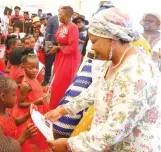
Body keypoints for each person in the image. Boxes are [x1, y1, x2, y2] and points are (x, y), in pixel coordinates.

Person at [43, 8, 161, 152]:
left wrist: (69, 144)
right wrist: (62, 110)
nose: (91, 48)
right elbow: (94, 91)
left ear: (111, 39)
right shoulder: (113, 61)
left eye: (94, 41)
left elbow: (116, 128)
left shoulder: (136, 73)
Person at [0, 76, 37, 152]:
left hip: (14, 142)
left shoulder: (5, 110)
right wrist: (24, 137)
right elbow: (6, 149)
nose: (16, 97)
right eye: (14, 95)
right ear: (3, 97)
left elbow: (16, 122)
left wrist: (28, 115)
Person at [15, 54, 50, 151]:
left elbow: (36, 91)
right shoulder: (25, 85)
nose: (35, 70)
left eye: (37, 67)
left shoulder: (34, 78)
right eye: (31, 68)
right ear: (23, 67)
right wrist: (36, 102)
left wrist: (43, 89)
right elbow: (20, 104)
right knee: (34, 137)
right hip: (32, 114)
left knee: (41, 132)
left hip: (40, 109)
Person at [49, 6, 81, 110]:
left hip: (69, 58)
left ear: (67, 15)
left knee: (61, 83)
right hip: (60, 55)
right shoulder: (62, 26)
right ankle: (54, 106)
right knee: (55, 81)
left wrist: (58, 47)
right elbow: (59, 39)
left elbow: (73, 47)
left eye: (60, 14)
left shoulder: (73, 28)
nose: (59, 16)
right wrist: (57, 47)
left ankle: (61, 108)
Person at [43, 14, 60, 85]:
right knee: (48, 63)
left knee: (59, 64)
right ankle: (46, 79)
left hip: (62, 46)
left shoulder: (69, 20)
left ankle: (57, 80)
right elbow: (48, 33)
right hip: (52, 44)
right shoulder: (52, 19)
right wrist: (47, 47)